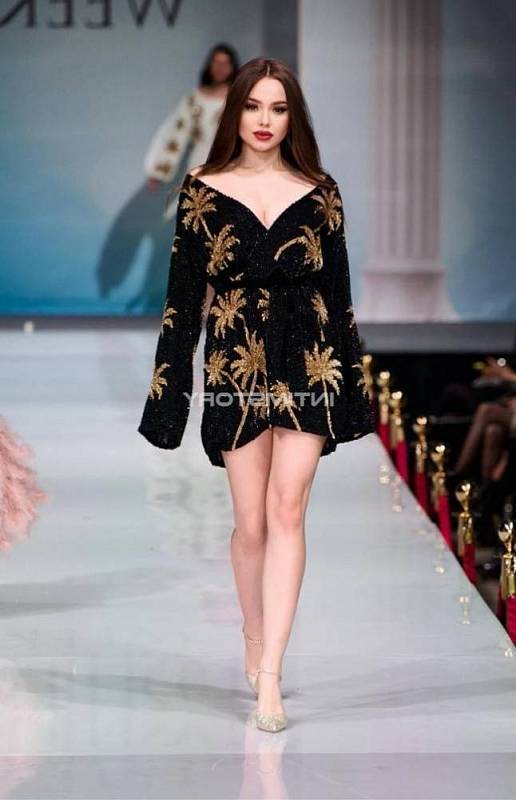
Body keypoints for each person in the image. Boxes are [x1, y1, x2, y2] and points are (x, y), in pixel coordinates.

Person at [137, 57, 376, 732]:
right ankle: (252, 632)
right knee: (250, 523)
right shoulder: (202, 190)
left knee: (288, 509)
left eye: (278, 108)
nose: (264, 120)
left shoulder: (320, 191)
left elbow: (340, 296)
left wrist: (352, 396)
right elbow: (182, 301)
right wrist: (169, 399)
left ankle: (271, 671)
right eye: (253, 106)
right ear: (234, 112)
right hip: (234, 361)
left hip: (309, 358)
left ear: (292, 116)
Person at [144, 43, 239, 221]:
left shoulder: (240, 99)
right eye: (216, 62)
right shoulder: (194, 99)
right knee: (195, 217)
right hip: (200, 163)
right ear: (209, 65)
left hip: (231, 163)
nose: (221, 68)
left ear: (233, 67)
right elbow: (175, 134)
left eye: (226, 63)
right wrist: (158, 171)